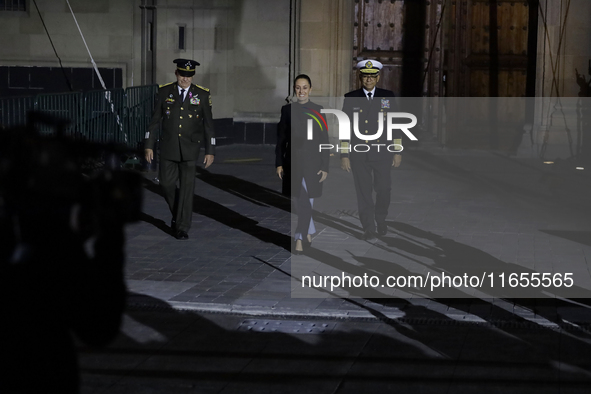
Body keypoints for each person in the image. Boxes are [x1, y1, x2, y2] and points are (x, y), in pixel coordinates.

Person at [145, 58, 215, 240]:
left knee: (186, 189)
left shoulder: (202, 95)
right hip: (168, 147)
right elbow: (154, 122)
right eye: (183, 75)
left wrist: (210, 150)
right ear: (176, 73)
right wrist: (149, 145)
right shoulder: (164, 92)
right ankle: (179, 214)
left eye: (189, 76)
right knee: (166, 184)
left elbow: (208, 125)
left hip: (190, 148)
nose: (185, 79)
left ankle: (182, 227)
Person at [341, 60, 402, 242]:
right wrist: (344, 154)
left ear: (378, 77)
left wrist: (397, 150)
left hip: (382, 152)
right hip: (359, 154)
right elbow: (345, 128)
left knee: (384, 189)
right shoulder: (351, 97)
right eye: (365, 76)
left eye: (372, 76)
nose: (368, 79)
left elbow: (395, 124)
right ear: (360, 77)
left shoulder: (387, 96)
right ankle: (368, 228)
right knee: (363, 192)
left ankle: (380, 218)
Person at [276, 75, 329, 254]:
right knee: (299, 203)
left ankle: (299, 238)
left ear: (310, 89)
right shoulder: (287, 110)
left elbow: (324, 140)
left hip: (313, 164)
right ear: (294, 89)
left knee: (307, 202)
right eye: (298, 88)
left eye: (305, 87)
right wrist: (279, 163)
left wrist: (325, 166)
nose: (301, 91)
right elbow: (281, 139)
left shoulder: (318, 110)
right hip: (293, 164)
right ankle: (309, 230)